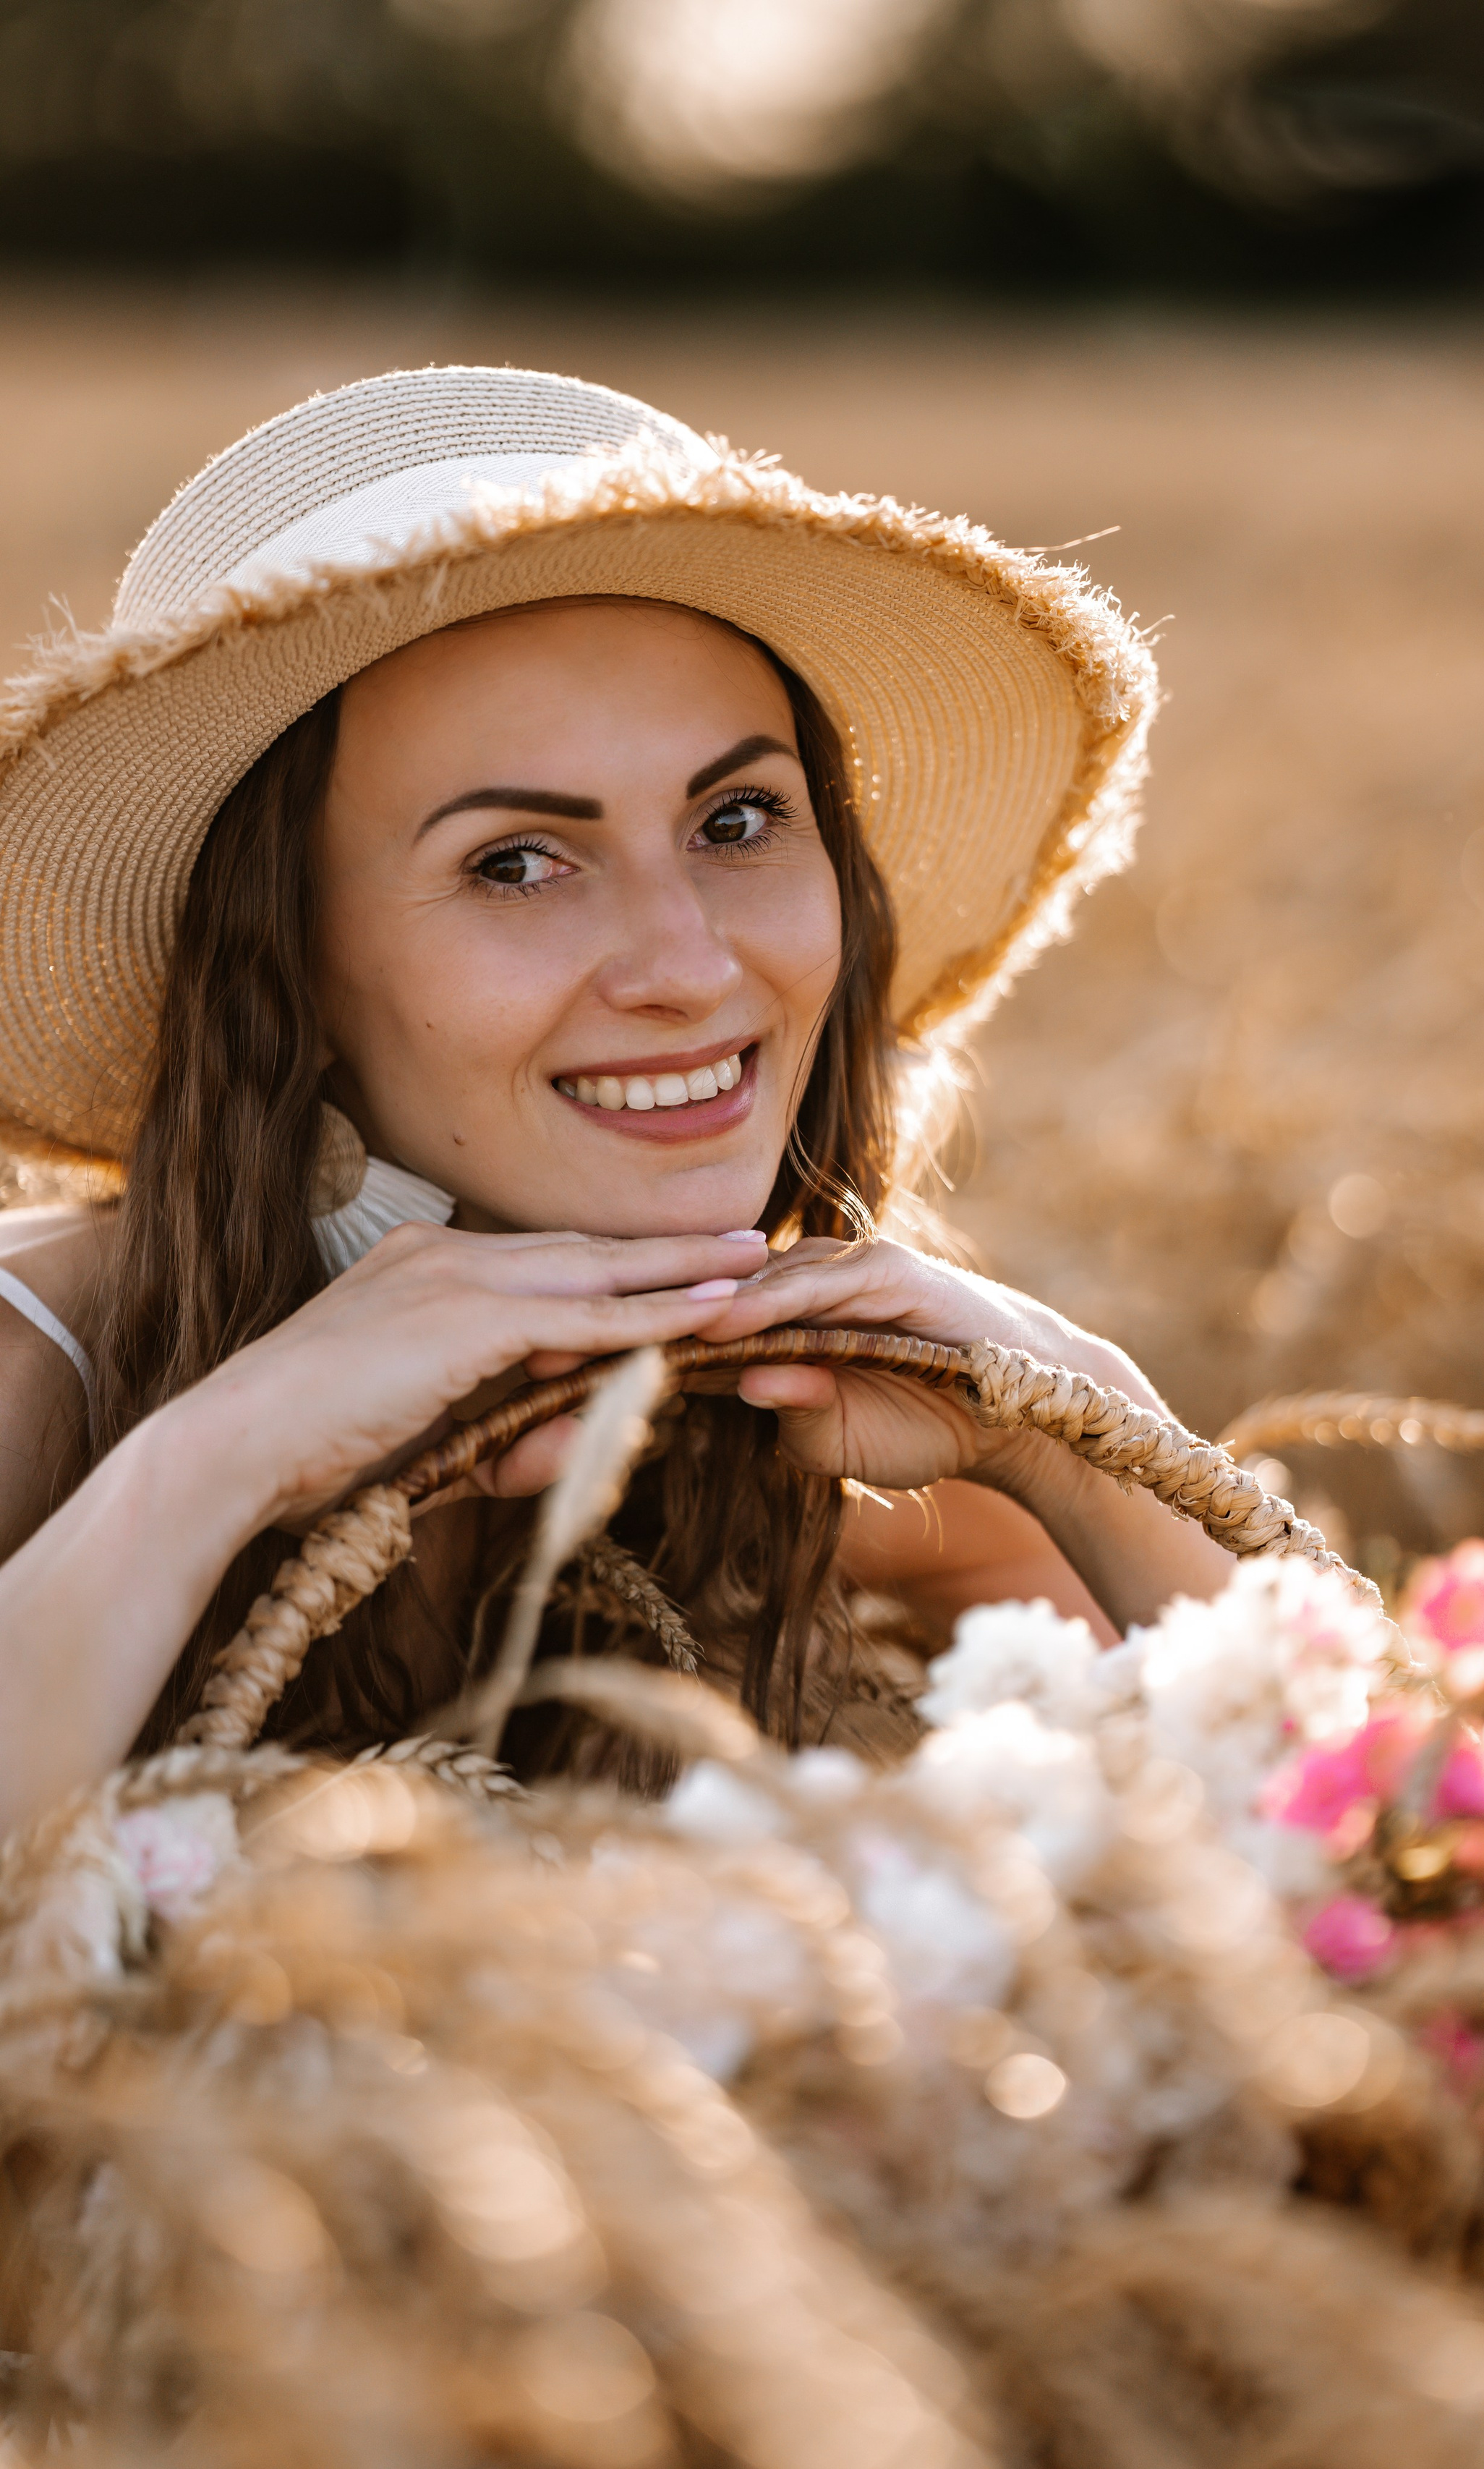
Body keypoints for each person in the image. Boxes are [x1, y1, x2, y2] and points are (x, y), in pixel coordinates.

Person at [0, 365, 1229, 1836]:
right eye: (516, 861)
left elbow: (1382, 1878)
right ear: (286, 975)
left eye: (736, 821)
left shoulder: (828, 1433)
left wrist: (1075, 1431)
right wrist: (212, 1461)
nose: (688, 965)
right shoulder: (37, 1376)